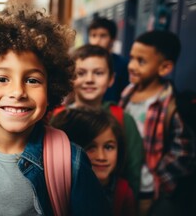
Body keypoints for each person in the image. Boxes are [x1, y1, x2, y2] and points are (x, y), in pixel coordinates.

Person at [0, 3, 110, 215]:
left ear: (50, 90)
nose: (17, 92)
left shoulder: (71, 162)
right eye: (1, 78)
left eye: (33, 80)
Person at [51, 44, 143, 199]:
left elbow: (133, 169)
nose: (89, 80)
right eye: (80, 73)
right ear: (70, 78)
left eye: (98, 73)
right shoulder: (59, 117)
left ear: (111, 79)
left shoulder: (122, 118)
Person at [119, 30, 195, 216]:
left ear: (164, 68)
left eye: (141, 61)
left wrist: (158, 182)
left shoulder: (170, 105)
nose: (132, 65)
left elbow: (182, 153)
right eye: (131, 58)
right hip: (128, 178)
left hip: (154, 189)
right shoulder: (127, 93)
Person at [51, 107, 136, 216]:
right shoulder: (60, 192)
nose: (101, 156)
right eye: (91, 148)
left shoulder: (123, 192)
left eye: (109, 147)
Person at [88, 17, 129, 102]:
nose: (97, 41)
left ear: (112, 39)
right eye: (93, 35)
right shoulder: (82, 63)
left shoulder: (123, 65)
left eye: (103, 36)